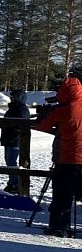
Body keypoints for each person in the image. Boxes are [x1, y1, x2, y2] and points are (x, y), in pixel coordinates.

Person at [36, 74, 82, 237]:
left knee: (62, 196)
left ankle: (59, 227)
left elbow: (42, 126)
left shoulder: (62, 110)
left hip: (67, 159)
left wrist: (45, 114)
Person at [1, 89, 30, 194]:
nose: (11, 98)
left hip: (15, 138)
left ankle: (16, 184)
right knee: (9, 161)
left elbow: (22, 123)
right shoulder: (13, 108)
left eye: (13, 96)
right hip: (10, 138)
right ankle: (12, 182)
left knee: (12, 161)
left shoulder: (21, 109)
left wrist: (12, 127)